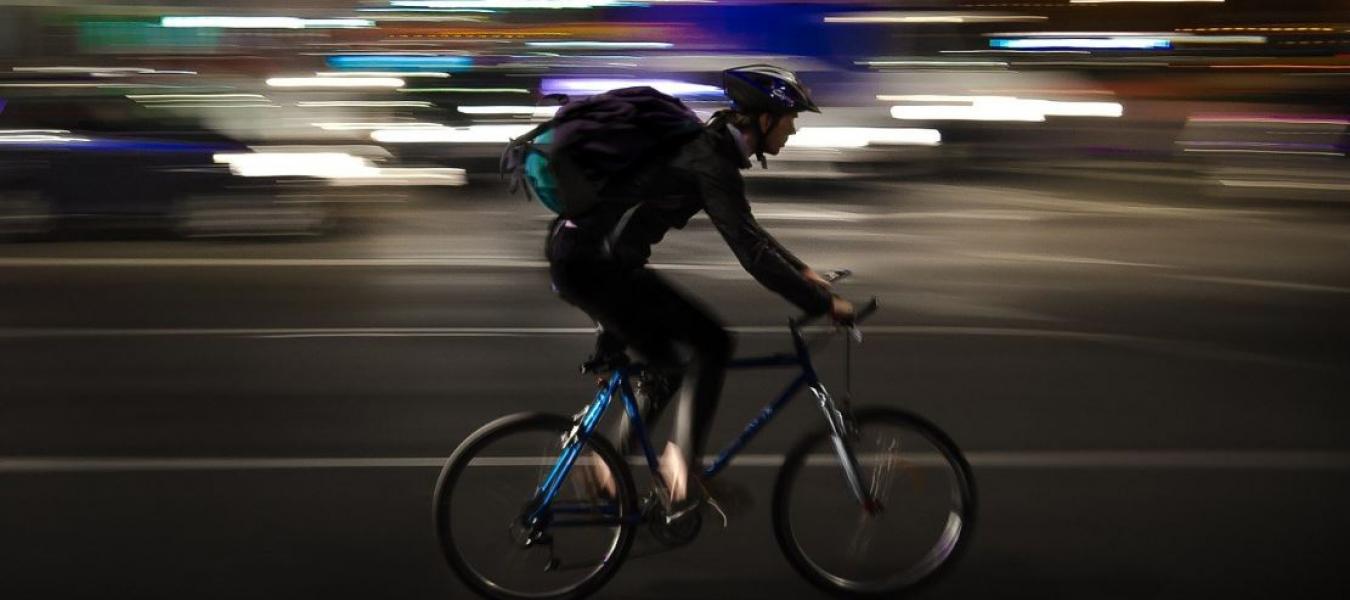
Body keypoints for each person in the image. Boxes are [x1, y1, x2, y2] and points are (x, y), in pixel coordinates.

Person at [546, 64, 855, 516]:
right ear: (764, 118)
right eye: (790, 119)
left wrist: (803, 271)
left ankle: (609, 468)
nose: (792, 130)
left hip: (592, 260)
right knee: (713, 342)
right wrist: (823, 303)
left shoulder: (708, 150)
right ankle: (680, 472)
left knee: (668, 364)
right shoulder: (710, 160)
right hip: (594, 267)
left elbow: (748, 230)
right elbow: (750, 253)